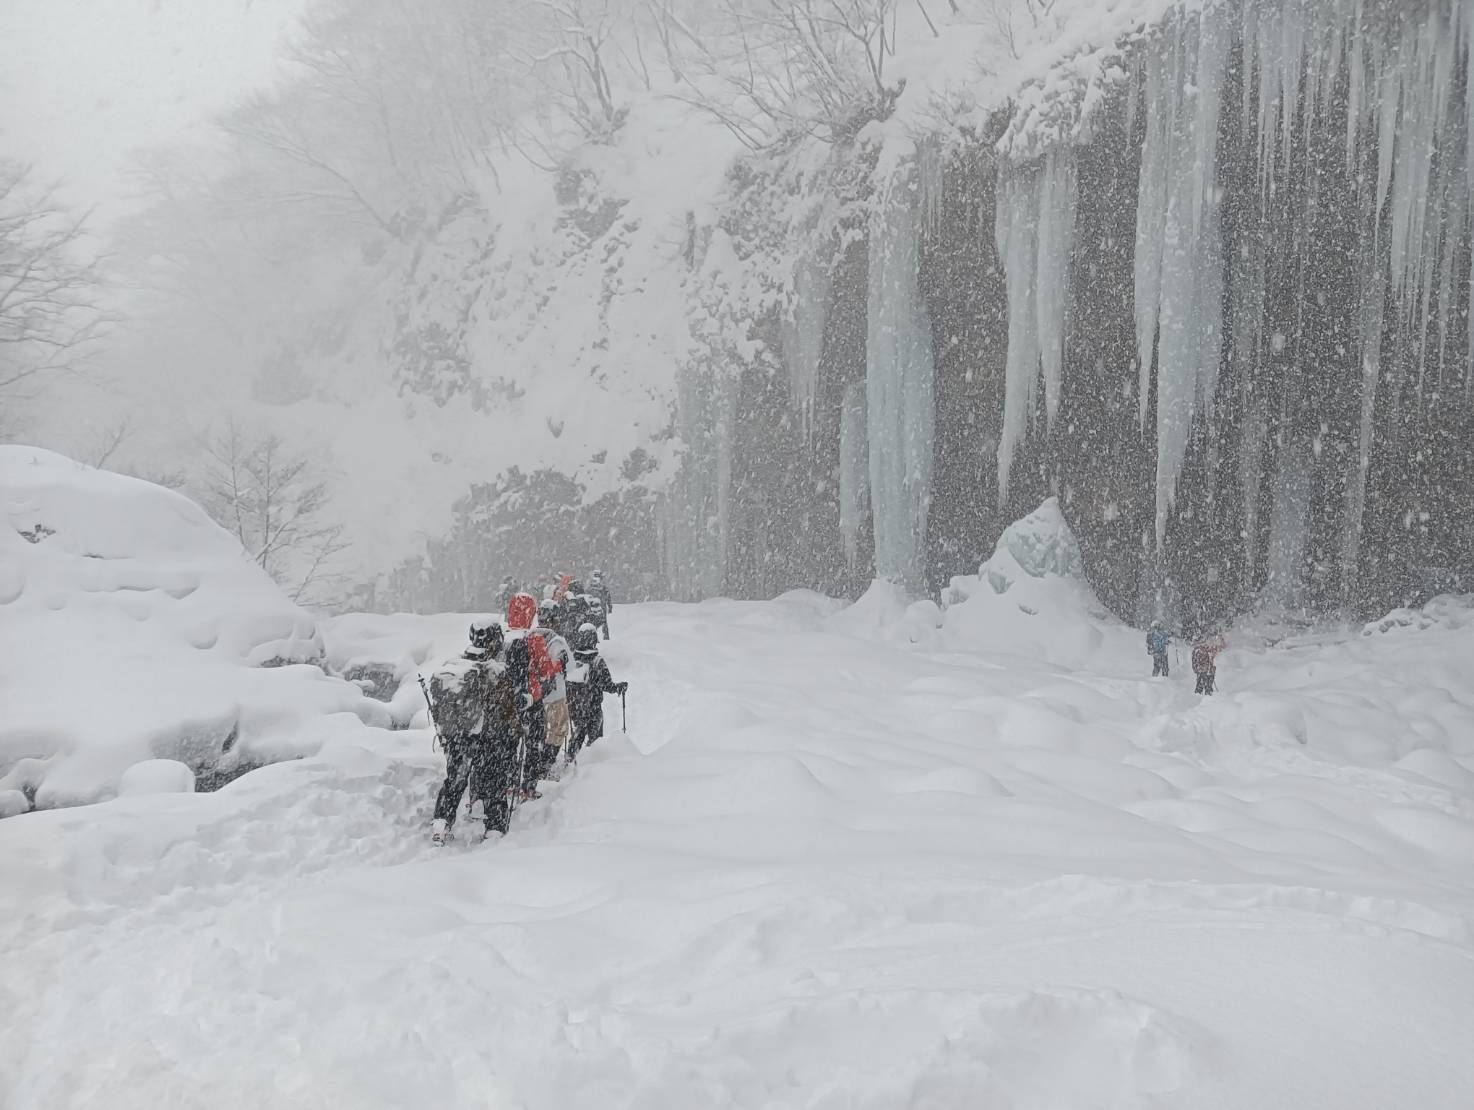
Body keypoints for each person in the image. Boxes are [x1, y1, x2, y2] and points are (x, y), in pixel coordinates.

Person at [427, 620, 522, 845]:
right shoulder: (493, 670)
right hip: (487, 736)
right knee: (494, 779)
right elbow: (508, 708)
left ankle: (441, 822)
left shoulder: (454, 665)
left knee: (455, 779)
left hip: (456, 735)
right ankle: (494, 827)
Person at [504, 592, 561, 799]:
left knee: (509, 744)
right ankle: (528, 786)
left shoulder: (504, 638)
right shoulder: (534, 639)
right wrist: (557, 665)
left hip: (506, 702)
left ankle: (509, 781)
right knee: (533, 743)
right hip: (531, 699)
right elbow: (546, 670)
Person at [566, 623, 627, 760]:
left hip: (576, 708)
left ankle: (570, 758)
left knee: (578, 733)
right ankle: (594, 764)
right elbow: (608, 685)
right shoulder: (598, 661)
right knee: (596, 740)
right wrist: (619, 687)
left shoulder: (573, 661)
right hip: (594, 707)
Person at [535, 599, 574, 769]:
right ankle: (546, 762)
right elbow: (569, 667)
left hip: (535, 693)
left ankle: (536, 760)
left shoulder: (531, 636)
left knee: (539, 730)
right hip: (555, 694)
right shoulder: (557, 641)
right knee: (559, 729)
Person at [589, 570, 613, 639]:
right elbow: (608, 596)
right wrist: (610, 606)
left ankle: (592, 635)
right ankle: (606, 635)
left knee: (592, 621)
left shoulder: (591, 584)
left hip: (592, 605)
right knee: (604, 621)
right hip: (602, 605)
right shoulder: (603, 585)